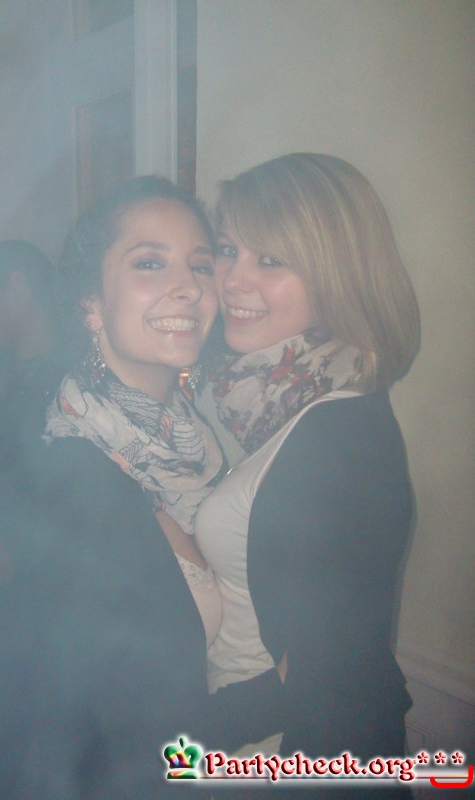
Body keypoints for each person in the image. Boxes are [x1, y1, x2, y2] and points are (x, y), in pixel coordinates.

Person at [194, 153, 420, 797]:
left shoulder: (341, 436)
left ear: (335, 276)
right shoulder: (258, 396)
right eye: (229, 249)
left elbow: (329, 674)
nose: (232, 280)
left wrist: (182, 733)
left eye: (271, 259)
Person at [38, 175, 224, 797]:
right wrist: (283, 691)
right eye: (149, 262)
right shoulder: (79, 474)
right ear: (90, 304)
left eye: (201, 265)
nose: (188, 286)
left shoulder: (201, 439)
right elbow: (128, 728)